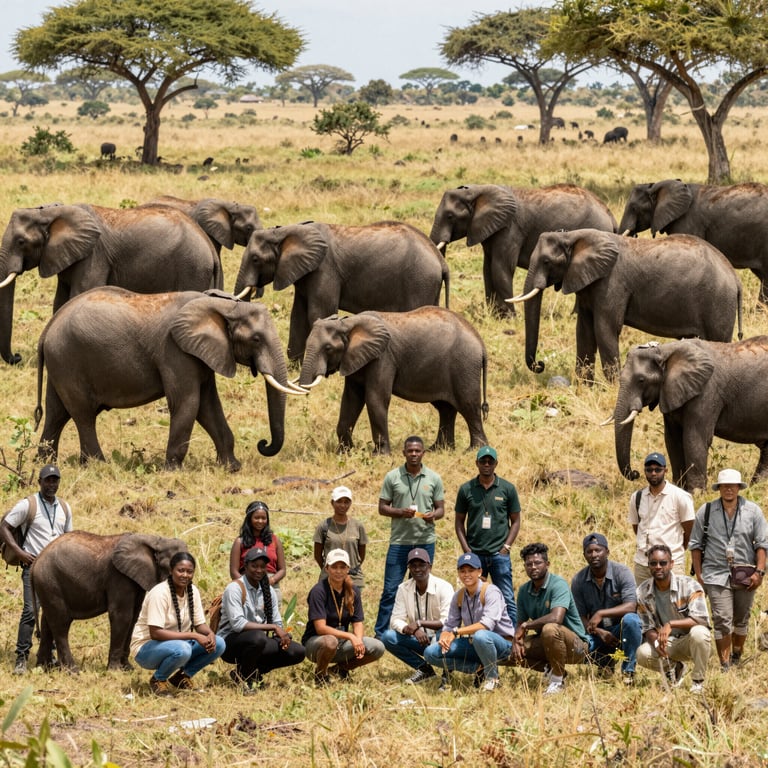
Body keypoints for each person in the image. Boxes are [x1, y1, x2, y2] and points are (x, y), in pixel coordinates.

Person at [689, 469, 768, 670]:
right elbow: (696, 545)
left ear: (739, 487)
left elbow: (762, 545)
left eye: (733, 485)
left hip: (745, 574)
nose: (729, 489)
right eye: (725, 485)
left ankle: (736, 657)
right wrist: (699, 575)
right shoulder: (705, 511)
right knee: (722, 619)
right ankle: (725, 665)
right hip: (715, 573)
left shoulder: (753, 511)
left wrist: (759, 573)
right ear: (719, 488)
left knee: (742, 618)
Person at [0, 464, 73, 674]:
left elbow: (69, 538)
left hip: (57, 572)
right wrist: (20, 552)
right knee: (31, 611)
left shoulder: (65, 508)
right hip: (33, 568)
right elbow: (4, 526)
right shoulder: (28, 504)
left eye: (55, 480)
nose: (52, 484)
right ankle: (21, 658)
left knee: (55, 614)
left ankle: (48, 656)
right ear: (39, 481)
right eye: (48, 480)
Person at [374, 436, 445, 637]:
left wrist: (434, 516)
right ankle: (381, 633)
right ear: (404, 452)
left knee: (421, 587)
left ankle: (420, 629)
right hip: (400, 542)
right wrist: (399, 512)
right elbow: (382, 508)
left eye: (418, 451)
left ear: (423, 453)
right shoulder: (393, 477)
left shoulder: (433, 478)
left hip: (425, 541)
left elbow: (441, 509)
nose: (414, 454)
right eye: (410, 451)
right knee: (391, 589)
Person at [130, 551, 225, 696]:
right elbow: (155, 633)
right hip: (146, 649)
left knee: (219, 644)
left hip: (180, 643)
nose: (185, 575)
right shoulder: (160, 593)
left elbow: (200, 624)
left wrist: (210, 633)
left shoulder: (193, 591)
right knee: (183, 649)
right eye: (181, 570)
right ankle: (158, 680)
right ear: (171, 570)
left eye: (189, 571)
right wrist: (194, 636)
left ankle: (182, 677)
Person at [423, 552, 516, 692]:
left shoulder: (491, 591)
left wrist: (456, 632)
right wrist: (444, 637)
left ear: (480, 572)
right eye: (463, 571)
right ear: (458, 573)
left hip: (502, 645)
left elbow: (486, 625)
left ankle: (493, 679)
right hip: (475, 644)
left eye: (471, 570)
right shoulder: (459, 596)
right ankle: (477, 668)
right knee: (430, 652)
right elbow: (449, 625)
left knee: (481, 635)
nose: (466, 574)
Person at [217, 547, 305, 693]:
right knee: (258, 637)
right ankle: (248, 679)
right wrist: (273, 628)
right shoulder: (234, 588)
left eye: (262, 567)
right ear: (245, 566)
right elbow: (238, 624)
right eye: (254, 566)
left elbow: (276, 622)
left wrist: (282, 634)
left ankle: (246, 672)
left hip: (257, 642)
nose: (258, 570)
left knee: (298, 651)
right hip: (230, 643)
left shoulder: (268, 590)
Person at [454, 445, 521, 623]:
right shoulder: (466, 489)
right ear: (476, 463)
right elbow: (459, 521)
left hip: (499, 554)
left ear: (496, 463)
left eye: (490, 461)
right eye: (482, 461)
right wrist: (467, 549)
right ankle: (475, 634)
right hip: (475, 555)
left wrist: (506, 547)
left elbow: (516, 520)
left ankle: (512, 638)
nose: (486, 464)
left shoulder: (507, 489)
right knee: (473, 596)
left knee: (506, 597)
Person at [511, 542, 588, 695]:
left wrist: (527, 626)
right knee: (510, 651)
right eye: (529, 564)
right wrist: (516, 640)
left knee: (550, 628)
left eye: (538, 563)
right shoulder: (524, 590)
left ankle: (557, 682)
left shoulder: (558, 584)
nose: (533, 567)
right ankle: (553, 669)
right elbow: (520, 623)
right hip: (548, 643)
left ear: (547, 564)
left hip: (576, 646)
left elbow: (556, 618)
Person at [636, 544, 712, 693]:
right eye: (653, 563)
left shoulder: (689, 585)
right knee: (642, 654)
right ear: (648, 565)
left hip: (690, 641)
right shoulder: (642, 592)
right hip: (667, 643)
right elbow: (647, 627)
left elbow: (701, 619)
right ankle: (676, 669)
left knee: (699, 633)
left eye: (663, 563)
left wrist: (671, 624)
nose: (658, 567)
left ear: (671, 564)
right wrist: (656, 643)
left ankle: (697, 682)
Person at [302, 549, 385, 685]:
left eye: (342, 567)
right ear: (327, 568)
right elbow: (320, 628)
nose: (338, 571)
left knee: (377, 647)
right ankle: (320, 674)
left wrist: (358, 640)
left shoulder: (353, 591)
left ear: (348, 569)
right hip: (317, 644)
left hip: (342, 643)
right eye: (334, 567)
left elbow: (358, 622)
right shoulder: (318, 591)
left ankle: (338, 670)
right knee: (330, 641)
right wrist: (351, 637)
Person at [571, 533, 642, 686]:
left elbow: (631, 605)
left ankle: (628, 672)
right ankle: (604, 662)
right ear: (584, 555)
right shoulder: (578, 580)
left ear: (607, 552)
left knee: (632, 620)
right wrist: (599, 632)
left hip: (619, 631)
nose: (594, 555)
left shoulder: (622, 572)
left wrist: (601, 613)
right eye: (589, 551)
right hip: (596, 634)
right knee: (576, 645)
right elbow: (580, 617)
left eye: (598, 550)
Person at [380, 547, 454, 684]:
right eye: (413, 566)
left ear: (430, 567)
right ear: (409, 568)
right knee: (387, 637)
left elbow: (447, 621)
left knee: (444, 633)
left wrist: (419, 623)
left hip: (440, 639)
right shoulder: (404, 588)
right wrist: (414, 630)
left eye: (422, 565)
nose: (418, 569)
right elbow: (395, 619)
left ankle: (447, 674)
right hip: (419, 639)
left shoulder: (444, 587)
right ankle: (425, 669)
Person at [628, 452, 695, 582]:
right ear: (645, 471)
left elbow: (690, 530)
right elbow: (637, 528)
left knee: (673, 601)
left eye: (658, 469)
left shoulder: (680, 496)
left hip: (670, 564)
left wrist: (675, 550)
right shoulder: (637, 497)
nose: (653, 473)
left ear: (666, 470)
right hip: (643, 563)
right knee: (643, 602)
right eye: (649, 470)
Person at [229, 500, 286, 602]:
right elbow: (234, 572)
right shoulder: (240, 542)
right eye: (256, 518)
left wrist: (271, 580)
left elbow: (282, 570)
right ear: (249, 519)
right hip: (247, 586)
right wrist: (246, 584)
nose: (260, 521)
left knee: (272, 617)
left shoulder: (274, 540)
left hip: (270, 586)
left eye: (263, 518)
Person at [313, 485, 368, 589]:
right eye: (339, 501)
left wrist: (351, 569)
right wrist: (331, 570)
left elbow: (361, 554)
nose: (342, 505)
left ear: (350, 503)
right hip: (329, 578)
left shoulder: (358, 525)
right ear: (332, 503)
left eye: (346, 502)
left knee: (352, 605)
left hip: (353, 578)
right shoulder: (324, 526)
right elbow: (317, 555)